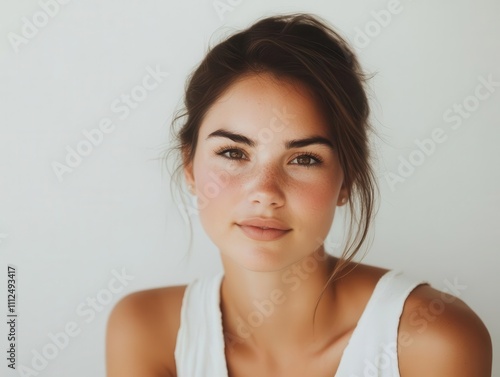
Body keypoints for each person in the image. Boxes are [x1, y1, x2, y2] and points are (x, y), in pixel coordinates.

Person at [105, 13, 492, 377]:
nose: (264, 192)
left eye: (304, 159)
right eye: (234, 153)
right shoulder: (146, 330)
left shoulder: (434, 340)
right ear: (190, 166)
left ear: (347, 179)